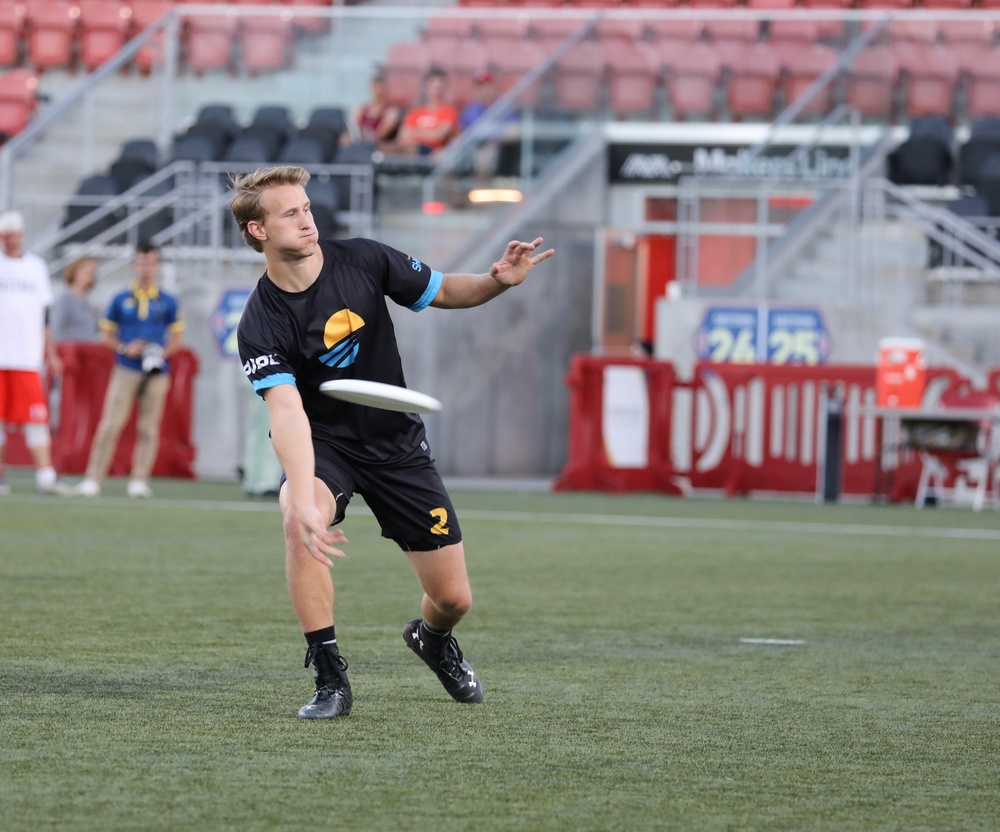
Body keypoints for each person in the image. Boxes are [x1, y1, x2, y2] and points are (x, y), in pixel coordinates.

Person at [229, 165, 554, 719]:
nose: (307, 221)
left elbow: (448, 290)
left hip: (396, 442)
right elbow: (286, 415)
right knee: (296, 511)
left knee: (454, 599)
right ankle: (330, 679)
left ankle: (430, 637)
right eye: (290, 214)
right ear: (258, 231)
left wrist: (498, 278)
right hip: (327, 442)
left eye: (307, 209)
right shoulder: (260, 322)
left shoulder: (365, 259)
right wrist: (302, 496)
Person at [75, 241, 184, 499]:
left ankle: (139, 479)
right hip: (126, 368)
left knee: (148, 427)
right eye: (142, 261)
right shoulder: (120, 298)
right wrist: (125, 348)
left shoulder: (167, 300)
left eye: (151, 262)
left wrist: (159, 353)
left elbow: (177, 339)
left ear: (157, 265)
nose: (146, 267)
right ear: (134, 264)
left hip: (157, 370)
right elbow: (105, 335)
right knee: (110, 424)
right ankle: (93, 478)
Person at [0, 210, 74, 497]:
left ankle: (45, 476)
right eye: (7, 236)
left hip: (27, 357)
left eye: (16, 235)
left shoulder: (36, 267)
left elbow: (45, 315)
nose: (13, 241)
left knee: (36, 417)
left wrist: (51, 353)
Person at [458, 69, 520, 182]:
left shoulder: (504, 108)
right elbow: (462, 133)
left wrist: (492, 139)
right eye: (480, 87)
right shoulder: (471, 110)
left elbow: (515, 132)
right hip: (474, 150)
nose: (483, 90)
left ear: (493, 87)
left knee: (487, 154)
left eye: (486, 86)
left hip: (500, 150)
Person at [393, 65, 460, 157]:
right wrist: (430, 133)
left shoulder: (449, 111)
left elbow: (439, 136)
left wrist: (414, 132)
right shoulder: (416, 112)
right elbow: (403, 137)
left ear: (445, 88)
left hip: (432, 153)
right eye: (434, 86)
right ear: (427, 87)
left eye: (440, 87)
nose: (437, 90)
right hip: (412, 151)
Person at [342, 69, 402, 151]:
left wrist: (363, 136)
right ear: (370, 88)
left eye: (381, 88)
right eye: (375, 87)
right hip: (360, 144)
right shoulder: (360, 109)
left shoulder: (391, 111)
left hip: (377, 148)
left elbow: (381, 135)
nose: (378, 91)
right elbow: (353, 128)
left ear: (386, 89)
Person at [51, 255, 100, 343]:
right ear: (75, 272)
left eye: (93, 270)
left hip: (88, 350)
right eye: (87, 270)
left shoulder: (88, 300)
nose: (91, 272)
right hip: (72, 351)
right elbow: (57, 329)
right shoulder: (66, 298)